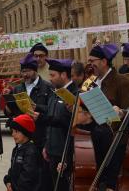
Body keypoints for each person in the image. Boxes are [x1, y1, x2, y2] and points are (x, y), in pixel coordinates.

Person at [77, 43, 129, 191]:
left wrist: (121, 111)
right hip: (95, 143)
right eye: (88, 61)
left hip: (115, 146)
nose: (89, 65)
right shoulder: (89, 83)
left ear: (104, 61)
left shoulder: (122, 82)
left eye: (92, 61)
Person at [4, 53, 52, 191]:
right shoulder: (18, 89)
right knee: (21, 170)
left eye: (28, 71)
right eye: (23, 71)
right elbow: (11, 112)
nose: (25, 75)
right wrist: (8, 104)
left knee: (40, 177)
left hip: (39, 138)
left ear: (35, 70)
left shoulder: (47, 88)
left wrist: (38, 109)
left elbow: (51, 110)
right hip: (22, 139)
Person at [38, 58, 78, 191]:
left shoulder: (75, 94)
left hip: (65, 153)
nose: (50, 79)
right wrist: (46, 145)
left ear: (64, 75)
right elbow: (51, 120)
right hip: (51, 151)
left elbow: (71, 125)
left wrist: (67, 157)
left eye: (53, 75)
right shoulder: (55, 92)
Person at [4, 114, 39, 191]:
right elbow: (13, 169)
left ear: (26, 133)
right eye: (12, 131)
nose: (13, 134)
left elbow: (27, 176)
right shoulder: (17, 148)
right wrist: (8, 181)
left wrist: (14, 188)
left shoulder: (30, 151)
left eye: (16, 131)